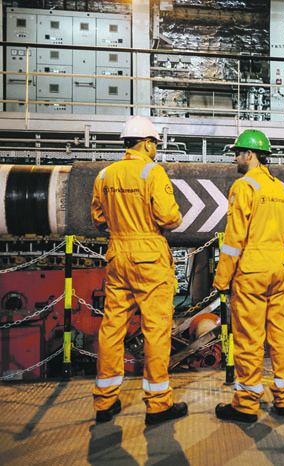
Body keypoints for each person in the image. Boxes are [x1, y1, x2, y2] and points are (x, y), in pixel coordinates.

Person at [91, 115, 188, 426]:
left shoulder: (105, 174)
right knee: (156, 329)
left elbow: (98, 219)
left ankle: (105, 402)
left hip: (117, 254)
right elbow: (169, 218)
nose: (155, 148)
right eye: (154, 143)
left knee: (112, 328)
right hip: (149, 256)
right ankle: (158, 404)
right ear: (146, 143)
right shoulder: (152, 171)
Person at [213, 129, 284, 423]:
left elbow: (234, 238)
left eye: (238, 153)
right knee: (279, 334)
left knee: (249, 338)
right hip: (279, 269)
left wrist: (222, 279)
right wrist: (283, 265)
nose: (235, 158)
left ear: (250, 154)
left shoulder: (244, 185)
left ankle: (246, 404)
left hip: (252, 270)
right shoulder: (283, 189)